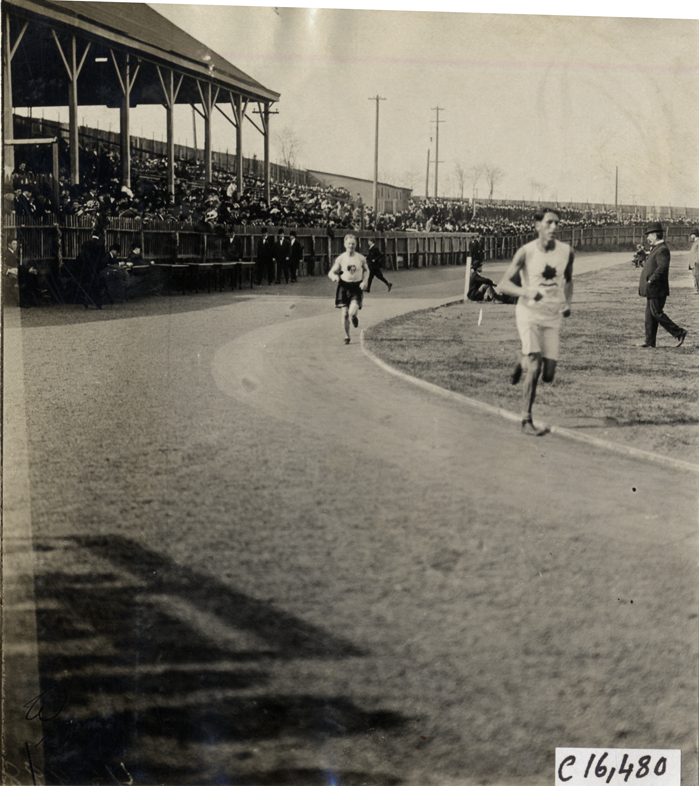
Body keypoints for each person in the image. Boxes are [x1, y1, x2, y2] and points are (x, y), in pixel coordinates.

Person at [496, 208, 574, 436]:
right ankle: (526, 419)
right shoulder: (525, 252)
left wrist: (567, 302)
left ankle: (521, 359)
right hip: (528, 313)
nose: (554, 227)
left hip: (551, 316)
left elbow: (569, 280)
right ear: (537, 225)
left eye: (557, 223)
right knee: (536, 366)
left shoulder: (567, 252)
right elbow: (503, 285)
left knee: (549, 374)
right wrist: (528, 292)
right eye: (549, 223)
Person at [638, 221, 687, 348]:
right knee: (650, 315)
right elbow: (653, 265)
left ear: (654, 235)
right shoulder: (657, 249)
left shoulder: (662, 249)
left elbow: (662, 268)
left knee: (656, 313)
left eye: (649, 235)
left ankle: (679, 332)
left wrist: (650, 280)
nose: (648, 238)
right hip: (653, 289)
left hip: (657, 289)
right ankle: (649, 341)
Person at [328, 233, 370, 345]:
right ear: (345, 244)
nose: (351, 245)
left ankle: (354, 317)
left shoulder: (360, 258)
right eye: (349, 243)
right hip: (343, 287)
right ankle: (347, 335)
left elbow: (367, 270)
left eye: (353, 243)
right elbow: (331, 272)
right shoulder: (341, 258)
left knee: (351, 312)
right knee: (345, 313)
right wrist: (334, 277)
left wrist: (364, 281)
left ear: (356, 245)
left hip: (356, 287)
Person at [688, 228, 699, 294]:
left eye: (691, 235)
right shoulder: (695, 242)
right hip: (693, 262)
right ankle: (697, 289)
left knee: (697, 275)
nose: (691, 236)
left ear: (694, 235)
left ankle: (697, 289)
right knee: (695, 276)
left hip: (696, 263)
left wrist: (696, 261)